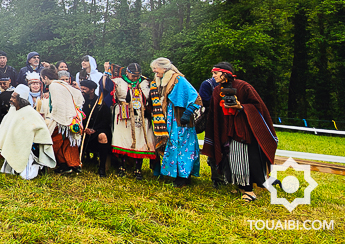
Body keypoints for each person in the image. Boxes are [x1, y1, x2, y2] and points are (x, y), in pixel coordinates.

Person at [202, 62, 278, 202]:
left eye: (215, 73)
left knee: (242, 160)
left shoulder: (243, 86)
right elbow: (214, 113)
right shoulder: (217, 90)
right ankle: (239, 186)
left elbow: (258, 106)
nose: (213, 76)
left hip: (243, 131)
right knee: (230, 159)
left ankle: (248, 191)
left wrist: (241, 107)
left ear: (225, 73)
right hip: (225, 131)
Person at [149, 57, 201, 187]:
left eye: (155, 68)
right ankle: (178, 175)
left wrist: (188, 113)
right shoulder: (162, 81)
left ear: (164, 68)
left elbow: (196, 97)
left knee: (183, 146)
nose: (154, 71)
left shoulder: (178, 79)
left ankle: (184, 177)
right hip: (170, 118)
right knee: (173, 145)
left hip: (180, 118)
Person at [0, 84, 56, 179]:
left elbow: (42, 131)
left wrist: (30, 138)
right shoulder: (12, 110)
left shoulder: (31, 112)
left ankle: (38, 166)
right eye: (11, 96)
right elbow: (5, 128)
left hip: (27, 147)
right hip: (13, 143)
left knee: (26, 176)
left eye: (13, 97)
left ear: (20, 99)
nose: (10, 99)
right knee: (12, 172)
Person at [110, 63, 155, 179]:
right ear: (127, 72)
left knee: (140, 141)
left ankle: (138, 170)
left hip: (141, 115)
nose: (135, 78)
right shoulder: (118, 81)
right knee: (123, 140)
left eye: (137, 75)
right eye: (133, 75)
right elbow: (108, 91)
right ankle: (122, 167)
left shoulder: (145, 83)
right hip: (123, 115)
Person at [42, 68, 85, 174]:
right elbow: (78, 95)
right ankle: (73, 165)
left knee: (54, 142)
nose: (43, 81)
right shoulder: (62, 84)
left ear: (46, 77)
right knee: (69, 143)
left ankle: (63, 165)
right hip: (70, 118)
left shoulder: (53, 86)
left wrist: (58, 116)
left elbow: (57, 104)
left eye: (42, 78)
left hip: (61, 120)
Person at [80, 80, 113, 177]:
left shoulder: (101, 103)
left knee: (102, 136)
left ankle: (102, 168)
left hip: (98, 129)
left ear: (92, 90)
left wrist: (94, 129)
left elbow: (106, 120)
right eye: (81, 89)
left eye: (84, 89)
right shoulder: (80, 101)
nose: (82, 91)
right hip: (83, 130)